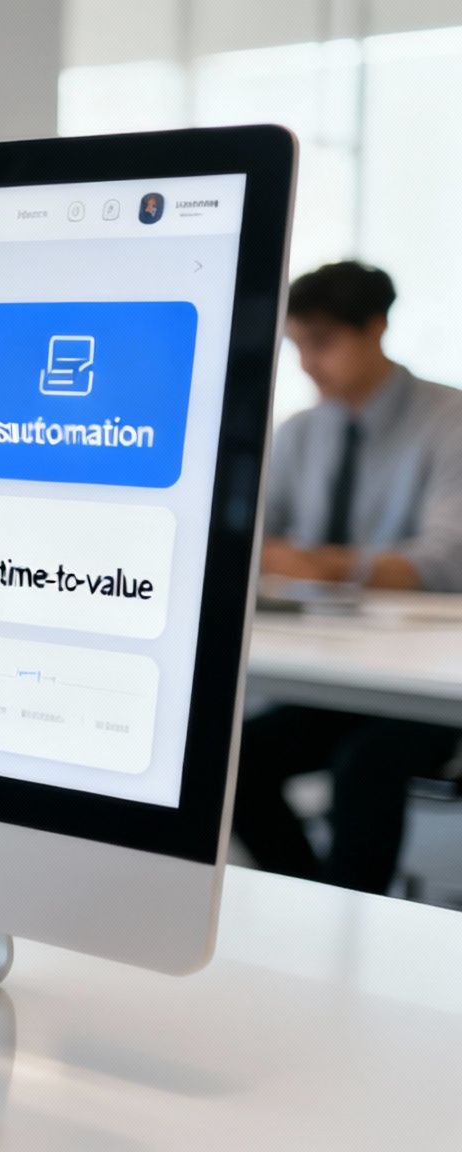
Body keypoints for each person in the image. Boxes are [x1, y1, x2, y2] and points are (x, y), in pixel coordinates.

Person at [235, 260, 462, 893]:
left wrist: (322, 564)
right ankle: (324, 904)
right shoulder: (301, 432)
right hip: (337, 671)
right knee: (230, 762)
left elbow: (443, 562)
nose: (307, 363)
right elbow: (253, 540)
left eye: (322, 342)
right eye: (297, 345)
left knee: (363, 766)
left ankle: (348, 919)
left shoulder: (451, 422)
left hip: (427, 678)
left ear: (376, 329)